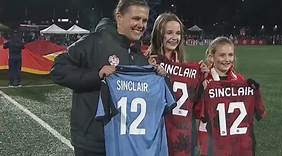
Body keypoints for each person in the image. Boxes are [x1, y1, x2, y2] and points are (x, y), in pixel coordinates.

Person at [50, 0, 160, 155]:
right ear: (119, 16)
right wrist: (97, 75)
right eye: (136, 18)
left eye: (145, 20)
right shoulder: (94, 41)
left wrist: (156, 74)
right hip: (93, 143)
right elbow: (58, 70)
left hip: (125, 142)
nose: (141, 24)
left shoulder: (139, 56)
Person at [147, 12, 208, 156]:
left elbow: (198, 107)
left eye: (178, 33)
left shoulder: (186, 68)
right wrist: (148, 70)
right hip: (153, 132)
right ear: (158, 34)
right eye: (169, 32)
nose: (174, 38)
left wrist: (202, 79)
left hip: (180, 134)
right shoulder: (145, 60)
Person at [195, 36, 264, 156]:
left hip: (236, 143)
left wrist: (256, 92)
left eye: (230, 55)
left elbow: (258, 112)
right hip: (211, 144)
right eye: (222, 55)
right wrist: (203, 94)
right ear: (212, 57)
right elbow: (197, 113)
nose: (227, 59)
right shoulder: (205, 81)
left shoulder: (240, 81)